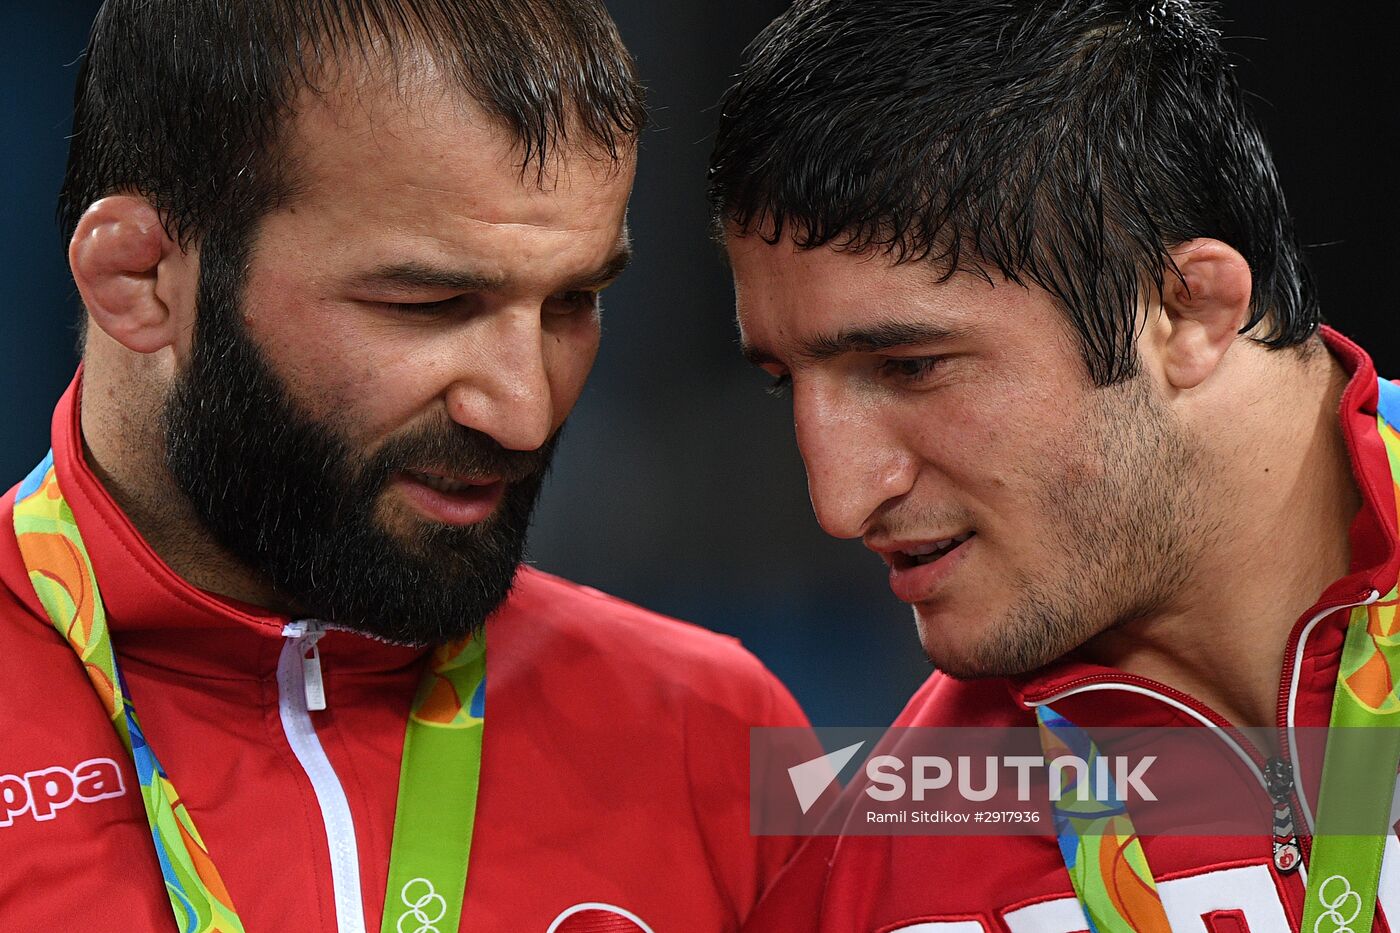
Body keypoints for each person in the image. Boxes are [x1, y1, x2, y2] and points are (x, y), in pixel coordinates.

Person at [0, 2, 807, 930]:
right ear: (139, 278)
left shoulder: (727, 731)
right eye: (429, 303)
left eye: (572, 301)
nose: (522, 412)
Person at [709, 0, 1400, 929]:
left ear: (1188, 312)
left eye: (911, 367)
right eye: (783, 381)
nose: (838, 501)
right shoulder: (869, 868)